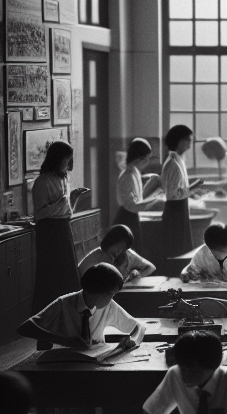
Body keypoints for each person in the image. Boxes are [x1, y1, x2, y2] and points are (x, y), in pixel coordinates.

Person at [19, 262, 145, 352]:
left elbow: (138, 326)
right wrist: (64, 340)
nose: (112, 299)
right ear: (99, 292)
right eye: (111, 294)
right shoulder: (63, 303)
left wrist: (133, 339)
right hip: (64, 364)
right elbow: (24, 328)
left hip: (95, 362)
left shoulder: (109, 307)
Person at [31, 140, 88, 309]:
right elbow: (40, 214)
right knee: (50, 274)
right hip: (49, 231)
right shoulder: (42, 182)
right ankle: (49, 313)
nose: (69, 163)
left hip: (64, 229)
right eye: (66, 159)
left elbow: (66, 211)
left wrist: (73, 198)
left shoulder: (64, 178)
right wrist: (64, 201)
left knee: (68, 272)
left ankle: (70, 310)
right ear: (57, 159)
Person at [161, 124, 202, 261]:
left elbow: (179, 188)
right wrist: (192, 189)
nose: (190, 145)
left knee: (182, 246)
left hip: (180, 207)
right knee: (177, 247)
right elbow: (172, 194)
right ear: (180, 141)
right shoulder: (173, 163)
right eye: (189, 140)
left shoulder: (178, 160)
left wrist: (191, 189)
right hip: (175, 210)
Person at [115, 137, 155, 251]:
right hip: (126, 219)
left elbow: (137, 197)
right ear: (139, 159)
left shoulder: (135, 172)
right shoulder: (128, 176)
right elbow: (132, 205)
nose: (148, 162)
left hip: (132, 218)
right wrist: (154, 200)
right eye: (147, 158)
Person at [79, 224, 155, 282]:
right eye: (118, 246)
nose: (119, 251)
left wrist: (137, 274)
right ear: (111, 241)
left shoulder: (127, 254)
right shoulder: (95, 257)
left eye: (123, 248)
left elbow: (151, 267)